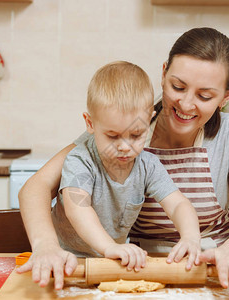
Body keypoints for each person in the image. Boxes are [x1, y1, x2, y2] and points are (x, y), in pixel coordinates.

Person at [17, 27, 229, 293]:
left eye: (204, 96)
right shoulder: (126, 124)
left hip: (214, 265)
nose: (187, 104)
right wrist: (46, 245)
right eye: (178, 86)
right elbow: (36, 188)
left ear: (226, 96)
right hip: (140, 266)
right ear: (164, 73)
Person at [52, 61, 202, 271]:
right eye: (112, 136)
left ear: (149, 120)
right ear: (90, 123)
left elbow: (177, 204)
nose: (124, 147)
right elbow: (78, 209)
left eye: (136, 134)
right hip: (70, 260)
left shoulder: (148, 165)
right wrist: (109, 247)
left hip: (113, 260)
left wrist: (191, 237)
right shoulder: (81, 160)